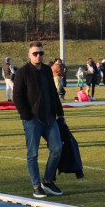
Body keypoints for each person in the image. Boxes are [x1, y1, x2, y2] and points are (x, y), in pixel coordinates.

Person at [13, 41, 65, 198]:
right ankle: (36, 186)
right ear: (29, 55)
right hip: (33, 120)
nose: (38, 56)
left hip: (50, 118)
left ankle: (48, 181)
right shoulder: (23, 72)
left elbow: (54, 94)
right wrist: (27, 115)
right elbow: (17, 97)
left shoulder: (47, 71)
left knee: (57, 149)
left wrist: (60, 114)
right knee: (33, 154)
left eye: (41, 53)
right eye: (35, 53)